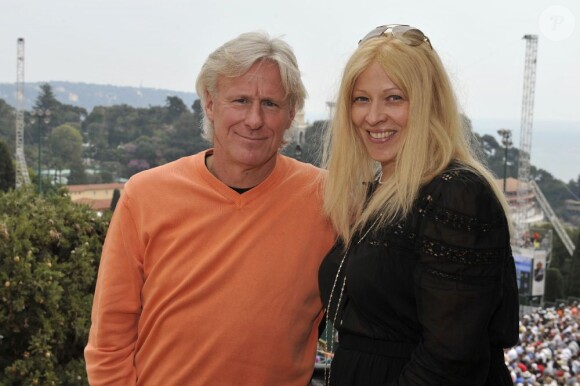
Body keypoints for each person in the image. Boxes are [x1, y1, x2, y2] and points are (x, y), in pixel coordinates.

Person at [85, 31, 336, 385]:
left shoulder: (328, 199)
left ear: (291, 113)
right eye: (240, 100)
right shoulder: (145, 196)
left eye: (270, 104)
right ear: (209, 103)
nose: (253, 119)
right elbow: (109, 340)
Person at [318, 24, 519, 385]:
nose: (373, 116)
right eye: (361, 99)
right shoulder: (378, 190)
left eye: (394, 98)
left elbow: (450, 360)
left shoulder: (455, 195)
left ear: (429, 102)